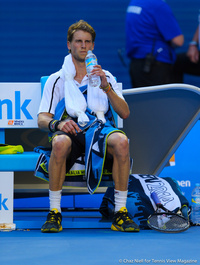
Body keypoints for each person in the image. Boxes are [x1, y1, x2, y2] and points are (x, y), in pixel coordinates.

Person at [37, 20, 140, 233]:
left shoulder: (106, 76)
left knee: (121, 141)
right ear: (69, 45)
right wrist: (58, 123)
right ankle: (54, 213)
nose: (83, 46)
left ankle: (120, 213)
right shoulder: (57, 80)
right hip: (71, 131)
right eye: (78, 42)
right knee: (59, 143)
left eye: (88, 42)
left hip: (99, 130)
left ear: (92, 46)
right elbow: (42, 119)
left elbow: (125, 113)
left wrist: (106, 87)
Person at [125, 0, 184, 88]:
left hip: (136, 64)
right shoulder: (158, 6)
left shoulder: (134, 3)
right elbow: (178, 41)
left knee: (141, 100)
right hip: (155, 65)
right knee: (159, 101)